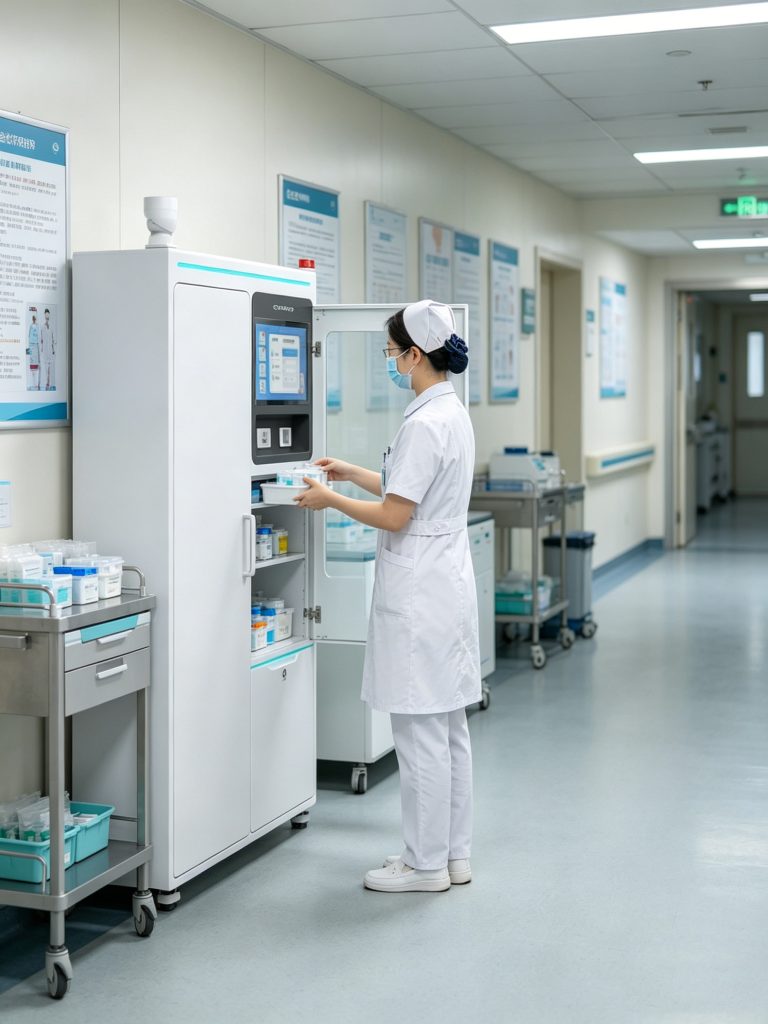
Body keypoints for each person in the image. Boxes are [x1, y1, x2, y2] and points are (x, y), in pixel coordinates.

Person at [295, 299, 481, 893]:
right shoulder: (448, 412)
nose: (390, 360)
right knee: (448, 729)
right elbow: (409, 488)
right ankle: (453, 856)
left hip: (421, 586)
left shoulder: (424, 423)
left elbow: (396, 515)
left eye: (392, 351)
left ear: (415, 354)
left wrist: (331, 501)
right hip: (444, 581)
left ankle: (424, 866)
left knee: (418, 733)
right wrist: (352, 473)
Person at [40, 308, 55, 391]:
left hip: (50, 349)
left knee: (50, 366)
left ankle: (49, 382)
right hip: (45, 349)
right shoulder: (42, 327)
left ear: (49, 315)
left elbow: (53, 339)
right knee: (46, 366)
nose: (47, 315)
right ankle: (47, 382)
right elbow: (41, 339)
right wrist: (42, 349)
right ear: (44, 315)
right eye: (46, 314)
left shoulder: (52, 326)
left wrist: (53, 349)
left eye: (48, 314)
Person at [27, 313, 40, 390]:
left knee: (37, 368)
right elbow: (28, 338)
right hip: (31, 347)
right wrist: (28, 351)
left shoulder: (37, 326)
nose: (34, 319)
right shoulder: (30, 326)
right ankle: (33, 384)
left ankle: (36, 385)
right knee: (32, 369)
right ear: (32, 319)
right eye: (33, 318)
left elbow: (38, 337)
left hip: (36, 347)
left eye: (35, 318)